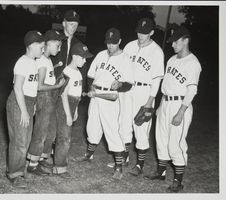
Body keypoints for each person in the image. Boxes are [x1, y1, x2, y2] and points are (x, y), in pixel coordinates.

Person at [147, 26, 202, 193]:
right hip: (166, 102)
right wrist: (160, 105)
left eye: (175, 41)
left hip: (180, 105)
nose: (172, 45)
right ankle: (161, 172)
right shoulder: (171, 59)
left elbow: (192, 90)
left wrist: (181, 112)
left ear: (185, 40)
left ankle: (178, 181)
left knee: (175, 143)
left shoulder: (193, 63)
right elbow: (166, 85)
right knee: (161, 138)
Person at [76, 28, 134, 180]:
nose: (110, 46)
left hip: (110, 97)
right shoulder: (101, 55)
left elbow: (129, 84)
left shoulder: (125, 59)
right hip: (96, 95)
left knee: (111, 130)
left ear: (120, 42)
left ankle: (119, 167)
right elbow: (90, 76)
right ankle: (88, 155)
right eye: (108, 42)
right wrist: (90, 87)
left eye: (114, 43)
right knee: (92, 126)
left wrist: (120, 84)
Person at [123, 18, 165, 176]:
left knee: (141, 128)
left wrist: (150, 101)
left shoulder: (157, 51)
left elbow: (157, 80)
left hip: (144, 92)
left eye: (145, 32)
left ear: (152, 32)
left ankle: (139, 165)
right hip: (127, 90)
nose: (141, 34)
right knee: (124, 124)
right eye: (140, 31)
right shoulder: (129, 46)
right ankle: (124, 158)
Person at [6, 30, 44, 188]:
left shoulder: (33, 62)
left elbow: (31, 87)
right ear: (32, 46)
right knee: (20, 141)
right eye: (41, 46)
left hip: (27, 102)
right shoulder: (22, 62)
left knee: (25, 140)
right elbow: (18, 88)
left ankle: (19, 170)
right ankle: (13, 174)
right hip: (18, 102)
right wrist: (23, 111)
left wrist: (32, 105)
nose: (43, 49)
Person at [26, 30, 66, 175]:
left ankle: (41, 159)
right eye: (58, 45)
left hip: (50, 98)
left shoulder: (47, 60)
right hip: (44, 97)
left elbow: (47, 78)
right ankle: (32, 164)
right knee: (41, 132)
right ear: (48, 43)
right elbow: (39, 86)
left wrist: (56, 76)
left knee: (49, 131)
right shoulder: (42, 60)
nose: (59, 48)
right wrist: (58, 85)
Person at [52, 42, 93, 176]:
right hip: (64, 104)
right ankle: (59, 167)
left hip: (73, 104)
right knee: (64, 138)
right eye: (83, 57)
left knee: (66, 136)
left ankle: (59, 161)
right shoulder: (67, 72)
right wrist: (68, 114)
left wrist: (74, 111)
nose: (85, 60)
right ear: (75, 56)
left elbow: (77, 95)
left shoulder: (79, 73)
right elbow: (63, 94)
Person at [51, 9, 81, 78]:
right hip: (53, 82)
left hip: (71, 84)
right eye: (71, 24)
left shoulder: (79, 44)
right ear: (64, 23)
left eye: (76, 25)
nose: (73, 27)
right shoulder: (55, 40)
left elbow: (82, 69)